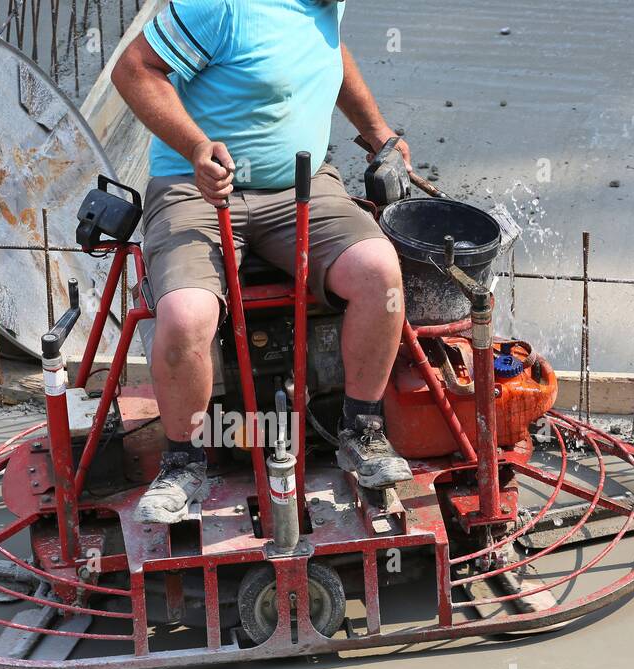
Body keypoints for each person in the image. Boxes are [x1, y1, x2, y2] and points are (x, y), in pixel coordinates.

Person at [112, 0, 413, 523]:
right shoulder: (222, 7)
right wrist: (196, 148)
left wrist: (379, 134)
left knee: (379, 272)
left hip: (302, 187)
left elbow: (329, 54)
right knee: (185, 315)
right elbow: (135, 68)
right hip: (197, 188)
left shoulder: (325, 4)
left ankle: (360, 430)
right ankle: (184, 461)